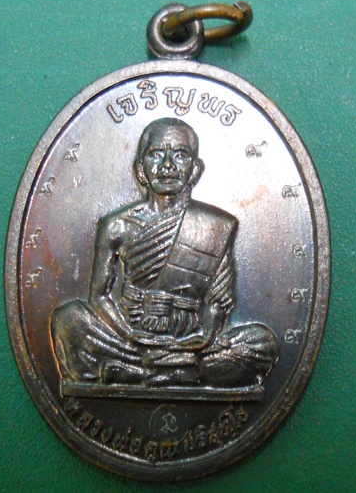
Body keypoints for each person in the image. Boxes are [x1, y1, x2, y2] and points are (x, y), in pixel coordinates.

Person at [51, 117, 279, 388]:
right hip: (129, 340)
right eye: (156, 154)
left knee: (262, 343)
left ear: (195, 170)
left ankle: (140, 374)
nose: (167, 166)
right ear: (141, 170)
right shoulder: (116, 226)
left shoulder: (216, 226)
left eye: (180, 155)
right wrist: (132, 335)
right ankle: (176, 373)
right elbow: (99, 297)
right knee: (68, 320)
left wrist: (202, 339)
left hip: (190, 342)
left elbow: (218, 302)